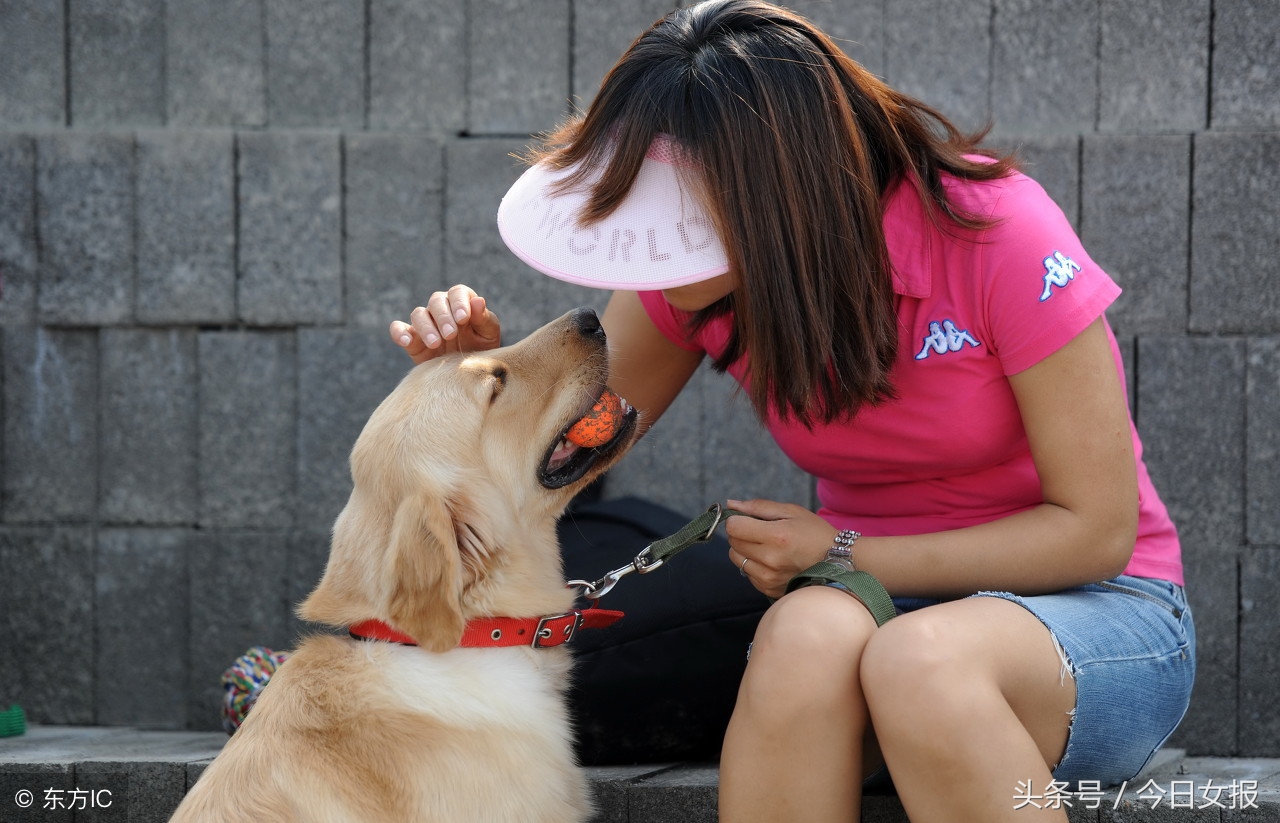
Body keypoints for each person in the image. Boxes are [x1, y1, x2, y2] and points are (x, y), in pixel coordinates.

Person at [389, 1, 1195, 820]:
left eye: (671, 217)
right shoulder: (696, 282)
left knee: (920, 663)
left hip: (1099, 615)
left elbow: (1097, 530)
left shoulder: (1001, 234)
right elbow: (568, 443)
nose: (647, 245)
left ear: (774, 198)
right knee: (798, 640)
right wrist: (479, 384)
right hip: (878, 606)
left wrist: (844, 549)